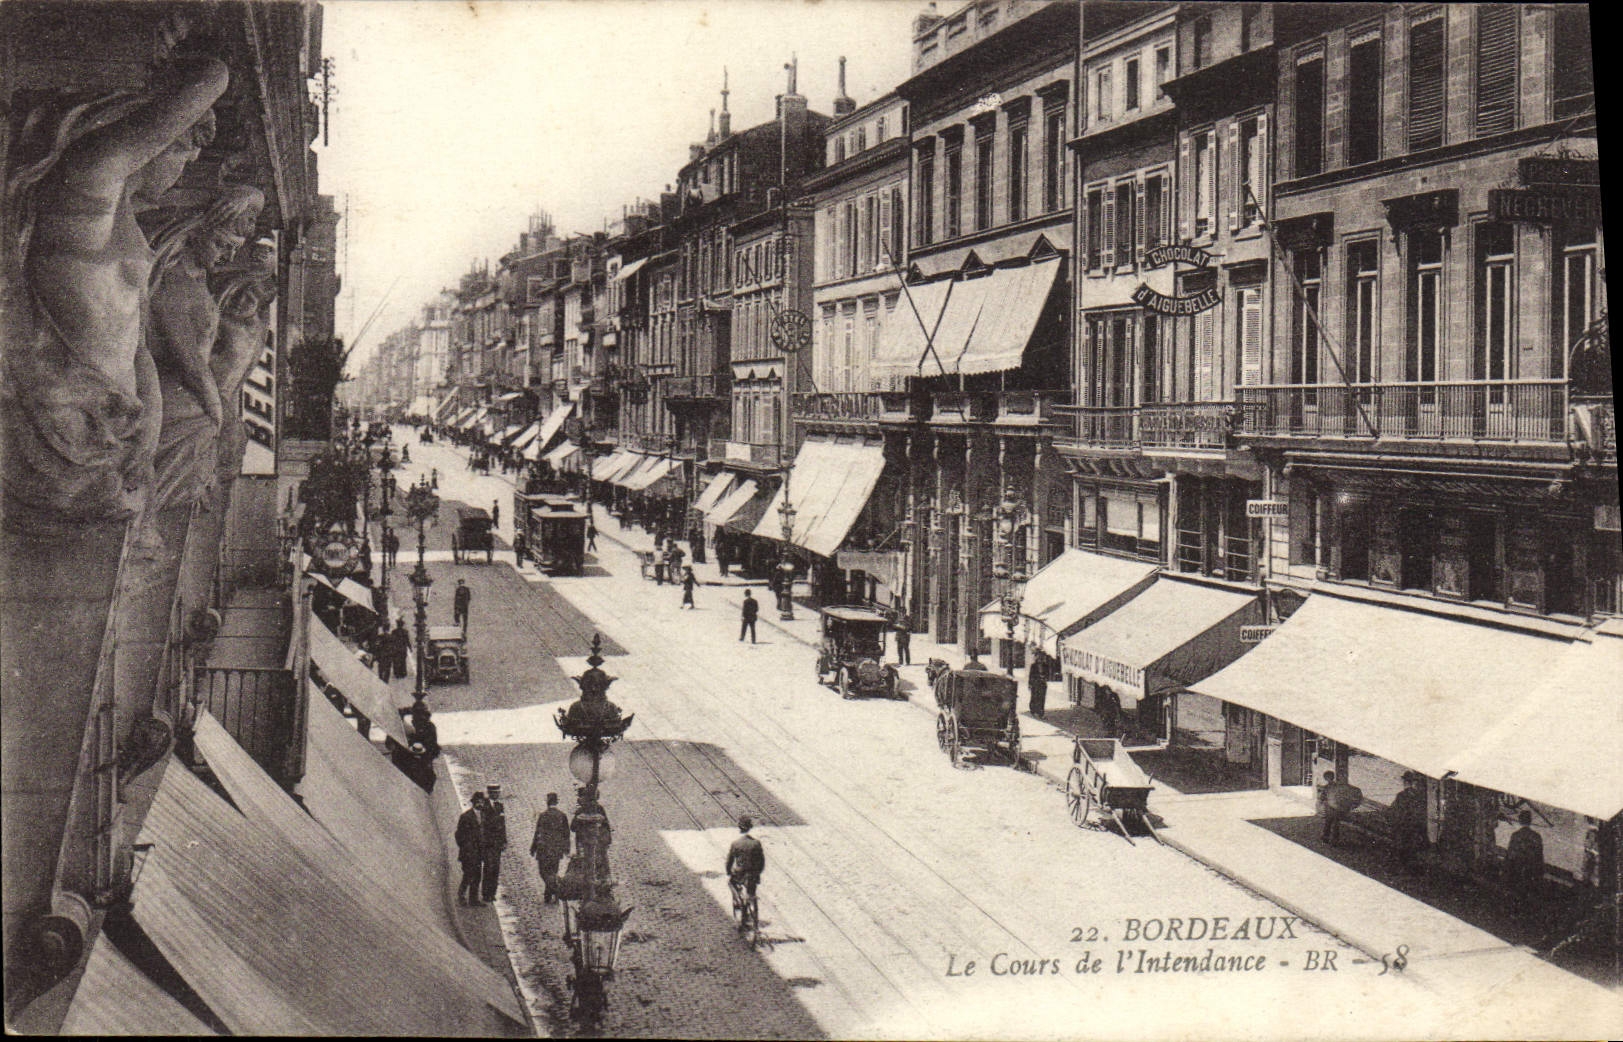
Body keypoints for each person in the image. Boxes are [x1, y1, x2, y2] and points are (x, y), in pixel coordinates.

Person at [530, 793, 571, 904]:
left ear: (547, 802)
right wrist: (566, 848)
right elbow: (566, 834)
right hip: (556, 851)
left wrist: (533, 848)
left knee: (543, 872)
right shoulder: (562, 815)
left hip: (543, 850)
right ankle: (551, 891)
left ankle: (551, 891)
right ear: (556, 802)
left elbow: (538, 832)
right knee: (553, 871)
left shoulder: (543, 815)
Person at [1504, 810, 1545, 914]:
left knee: (1516, 893)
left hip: (1517, 869)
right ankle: (1526, 912)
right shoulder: (1536, 836)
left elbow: (1510, 855)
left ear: (1520, 820)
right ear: (1530, 821)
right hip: (1530, 870)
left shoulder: (1515, 835)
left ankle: (1515, 912)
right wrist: (1540, 873)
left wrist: (1506, 870)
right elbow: (1539, 856)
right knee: (1528, 893)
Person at [1388, 771, 1430, 874]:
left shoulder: (1402, 795)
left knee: (1402, 848)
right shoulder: (1418, 796)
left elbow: (1394, 810)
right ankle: (1409, 869)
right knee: (1409, 849)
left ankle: (1402, 869)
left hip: (1405, 827)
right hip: (1411, 827)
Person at [726, 815, 766, 906]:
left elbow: (730, 861)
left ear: (739, 827)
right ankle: (752, 899)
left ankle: (738, 900)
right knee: (752, 887)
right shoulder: (756, 843)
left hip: (740, 873)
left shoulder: (735, 843)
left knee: (731, 882)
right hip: (753, 873)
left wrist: (728, 871)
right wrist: (758, 872)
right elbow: (761, 861)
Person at [455, 793, 487, 905]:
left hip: (479, 852)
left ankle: (473, 899)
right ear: (473, 803)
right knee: (468, 875)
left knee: (477, 876)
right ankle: (461, 896)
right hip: (468, 853)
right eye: (478, 801)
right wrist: (465, 847)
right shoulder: (466, 816)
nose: (480, 804)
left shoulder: (484, 816)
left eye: (482, 802)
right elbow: (458, 835)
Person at [1317, 771, 1362, 846]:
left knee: (1329, 824)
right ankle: (1334, 840)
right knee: (1334, 824)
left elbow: (1322, 798)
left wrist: (1322, 803)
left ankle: (1326, 839)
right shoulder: (1337, 786)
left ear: (1326, 778)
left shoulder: (1327, 787)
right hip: (1337, 808)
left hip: (1331, 808)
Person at [481, 784, 507, 904]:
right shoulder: (485, 806)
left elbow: (502, 825)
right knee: (488, 867)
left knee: (496, 868)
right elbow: (484, 824)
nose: (497, 795)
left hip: (497, 843)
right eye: (495, 793)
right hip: (488, 842)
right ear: (490, 793)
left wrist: (504, 840)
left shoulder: (499, 806)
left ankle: (492, 893)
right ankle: (486, 893)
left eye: (498, 792)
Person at [387, 618, 412, 682]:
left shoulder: (394, 632)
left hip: (396, 649)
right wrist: (410, 648)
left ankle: (397, 673)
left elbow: (391, 641)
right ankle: (402, 673)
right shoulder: (405, 632)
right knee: (402, 661)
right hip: (403, 649)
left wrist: (390, 648)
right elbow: (407, 641)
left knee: (396, 661)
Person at [1027, 652, 1048, 720]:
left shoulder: (1045, 665)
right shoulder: (1033, 666)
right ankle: (1033, 710)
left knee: (1042, 698)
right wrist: (1030, 684)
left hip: (1042, 684)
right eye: (1038, 656)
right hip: (1035, 684)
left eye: (1041, 657)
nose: (1040, 658)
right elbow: (1031, 675)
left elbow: (1048, 674)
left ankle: (1041, 712)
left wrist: (1044, 677)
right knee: (1034, 697)